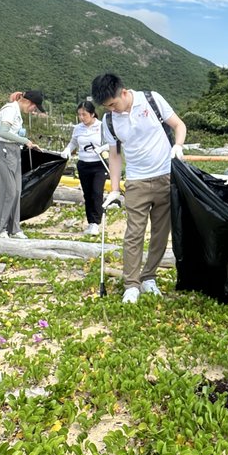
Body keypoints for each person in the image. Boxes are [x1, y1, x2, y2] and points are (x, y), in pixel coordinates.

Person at [91, 73, 186, 304]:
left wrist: (178, 146)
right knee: (133, 234)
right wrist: (114, 189)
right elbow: (114, 155)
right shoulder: (109, 120)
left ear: (123, 92)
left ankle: (149, 277)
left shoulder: (152, 100)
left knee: (160, 234)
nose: (112, 109)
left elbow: (178, 125)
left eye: (113, 104)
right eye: (107, 107)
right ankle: (131, 284)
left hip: (165, 177)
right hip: (136, 182)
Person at [0, 90, 44, 238]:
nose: (33, 111)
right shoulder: (10, 110)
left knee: (17, 191)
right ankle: (0, 228)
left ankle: (14, 228)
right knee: (8, 191)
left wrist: (28, 144)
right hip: (3, 151)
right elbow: (3, 132)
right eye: (34, 107)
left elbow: (14, 133)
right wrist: (25, 141)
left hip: (14, 152)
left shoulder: (17, 112)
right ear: (29, 102)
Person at [62, 101, 106, 235]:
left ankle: (97, 222)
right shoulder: (78, 128)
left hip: (99, 164)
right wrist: (67, 150)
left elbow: (112, 142)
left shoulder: (102, 126)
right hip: (84, 164)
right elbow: (73, 142)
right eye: (79, 115)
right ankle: (91, 222)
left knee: (97, 193)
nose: (82, 117)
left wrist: (102, 148)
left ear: (92, 114)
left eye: (84, 114)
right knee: (87, 194)